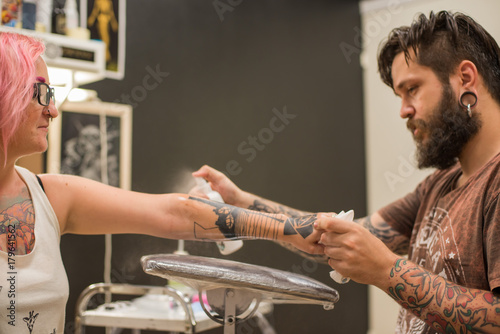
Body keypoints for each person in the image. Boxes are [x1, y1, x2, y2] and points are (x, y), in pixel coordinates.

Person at [190, 11, 500, 334]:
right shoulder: (438, 185)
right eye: (400, 95)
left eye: (412, 89)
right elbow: (338, 239)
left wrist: (386, 271)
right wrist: (240, 202)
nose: (404, 111)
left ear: (465, 78)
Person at [0, 31, 327, 333]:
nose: (53, 110)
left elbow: (177, 214)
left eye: (51, 95)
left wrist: (292, 230)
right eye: (41, 93)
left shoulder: (51, 195)